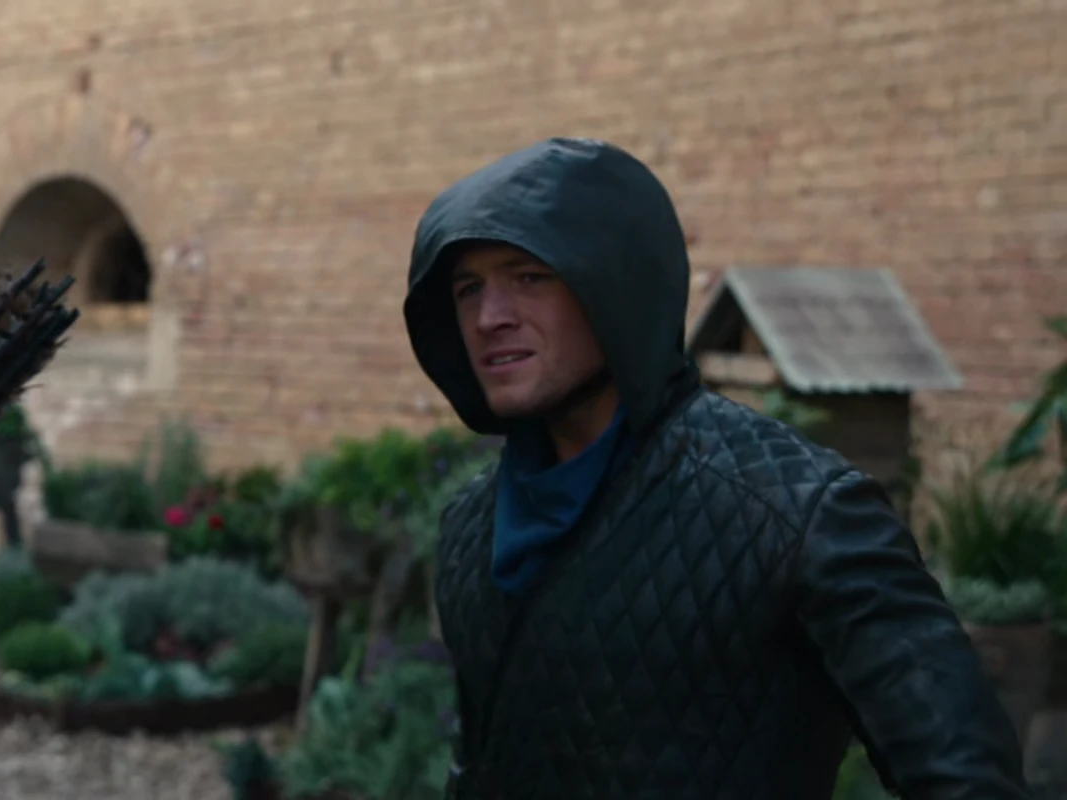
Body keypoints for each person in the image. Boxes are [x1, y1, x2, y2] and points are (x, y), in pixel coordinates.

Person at [403, 137, 1031, 798]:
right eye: (468, 289)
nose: (488, 318)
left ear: (617, 286)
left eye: (529, 277)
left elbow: (966, 780)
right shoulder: (470, 526)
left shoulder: (797, 513)